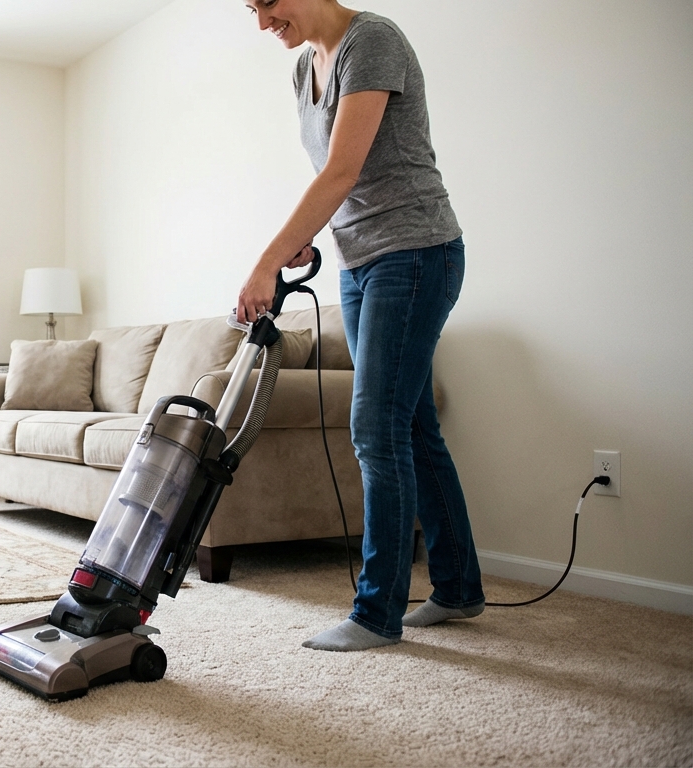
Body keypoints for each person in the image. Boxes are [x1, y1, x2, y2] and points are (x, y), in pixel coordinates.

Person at [236, 0, 484, 651]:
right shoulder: (302, 72)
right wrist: (309, 243)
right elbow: (336, 182)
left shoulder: (371, 41)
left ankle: (377, 613)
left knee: (374, 425)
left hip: (417, 252)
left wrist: (265, 262)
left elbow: (345, 168)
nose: (262, 23)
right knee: (411, 424)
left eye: (267, 2)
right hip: (361, 263)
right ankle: (458, 588)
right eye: (249, 8)